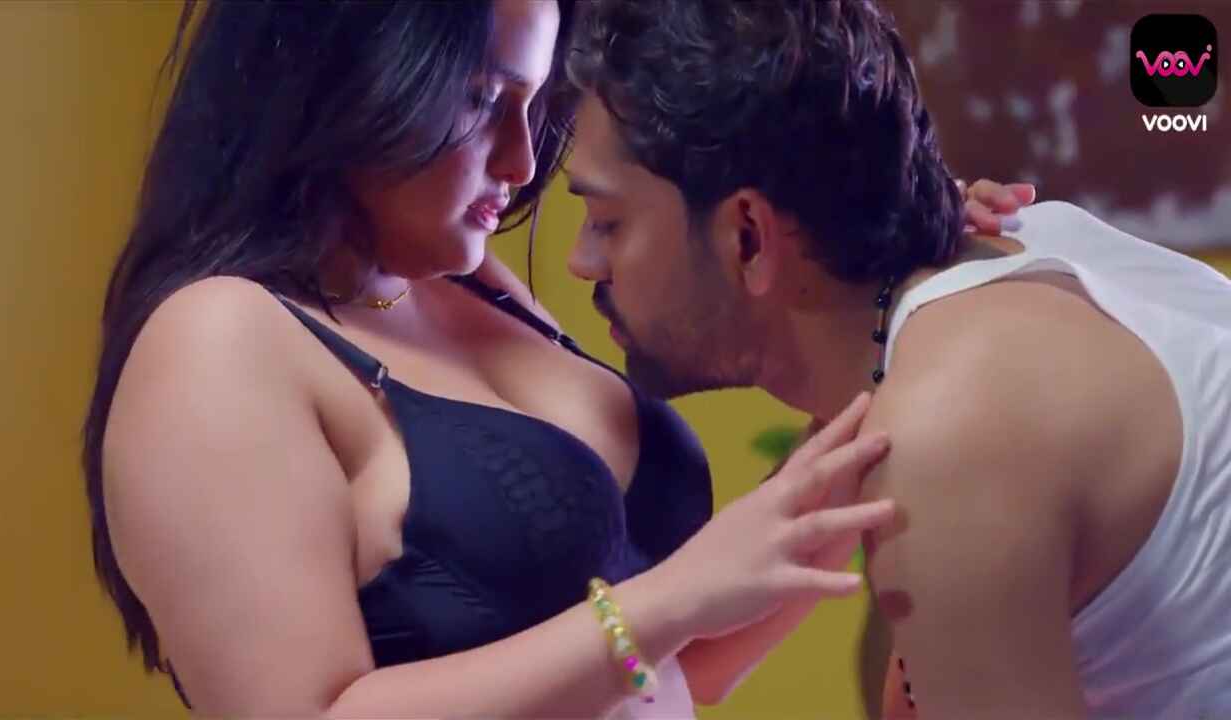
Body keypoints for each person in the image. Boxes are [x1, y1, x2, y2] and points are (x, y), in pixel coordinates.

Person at [81, 1, 1025, 715]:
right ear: (346, 76)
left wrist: (894, 271)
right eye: (483, 100)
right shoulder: (214, 342)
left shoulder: (463, 283)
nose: (520, 162)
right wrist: (667, 601)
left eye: (533, 106)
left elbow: (668, 676)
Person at [562, 1, 1231, 718]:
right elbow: (694, 668)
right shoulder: (1025, 247)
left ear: (748, 235)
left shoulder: (953, 426)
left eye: (607, 221)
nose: (580, 261)